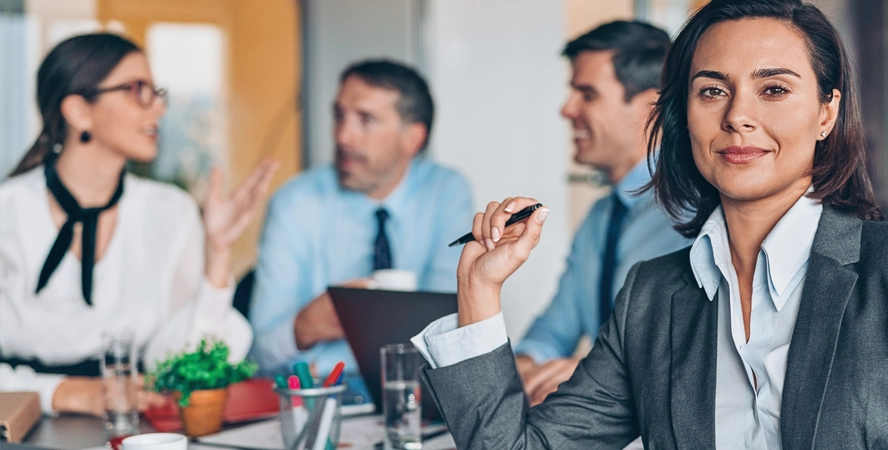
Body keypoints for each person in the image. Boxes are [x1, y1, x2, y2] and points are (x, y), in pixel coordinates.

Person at [410, 0, 888, 448]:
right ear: (683, 117)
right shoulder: (653, 294)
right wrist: (480, 292)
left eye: (773, 89)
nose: (738, 118)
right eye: (711, 91)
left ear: (827, 112)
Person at [0, 33, 278, 416]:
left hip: (137, 427)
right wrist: (64, 393)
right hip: (21, 426)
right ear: (79, 111)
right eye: (137, 90)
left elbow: (189, 366)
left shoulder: (171, 210)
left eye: (156, 91)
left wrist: (218, 253)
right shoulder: (8, 211)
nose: (159, 109)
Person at [248, 60, 473, 394]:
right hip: (324, 394)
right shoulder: (294, 203)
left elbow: (454, 326)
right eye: (339, 116)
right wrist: (304, 327)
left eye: (366, 120)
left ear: (412, 138)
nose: (343, 136)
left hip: (420, 393)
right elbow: (259, 354)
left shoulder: (446, 192)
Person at [514, 21, 691, 405]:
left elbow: (692, 352)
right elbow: (554, 329)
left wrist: (591, 373)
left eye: (587, 94)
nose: (567, 109)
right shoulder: (599, 218)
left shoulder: (696, 211)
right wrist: (525, 366)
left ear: (651, 106)